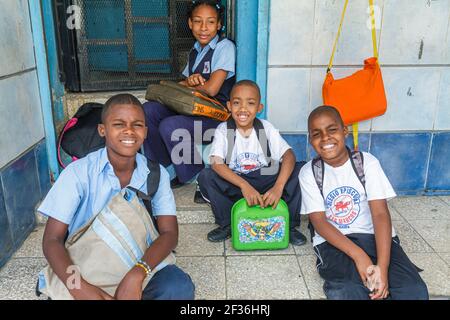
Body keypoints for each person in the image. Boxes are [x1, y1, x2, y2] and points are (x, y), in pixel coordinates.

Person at [37, 94, 195, 300]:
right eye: (119, 124)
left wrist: (138, 273)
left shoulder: (156, 174)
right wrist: (80, 288)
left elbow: (169, 234)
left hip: (136, 261)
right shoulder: (78, 173)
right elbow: (52, 240)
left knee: (177, 288)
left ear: (146, 132)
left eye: (137, 125)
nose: (129, 131)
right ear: (103, 130)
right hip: (85, 266)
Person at [299, 105, 429, 300]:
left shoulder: (367, 163)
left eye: (332, 129)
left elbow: (380, 214)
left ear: (345, 131)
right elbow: (319, 221)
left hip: (373, 235)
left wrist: (382, 268)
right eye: (317, 134)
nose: (325, 138)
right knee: (348, 290)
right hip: (334, 241)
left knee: (413, 290)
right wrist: (360, 256)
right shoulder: (309, 172)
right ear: (311, 140)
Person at [142, 0, 236, 198]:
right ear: (190, 24)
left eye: (210, 22)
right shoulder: (195, 51)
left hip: (216, 117)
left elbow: (211, 89)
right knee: (148, 111)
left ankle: (196, 174)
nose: (204, 28)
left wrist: (193, 84)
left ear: (219, 25)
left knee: (171, 126)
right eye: (198, 21)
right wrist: (190, 82)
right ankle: (165, 170)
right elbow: (182, 86)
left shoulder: (224, 47)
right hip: (194, 109)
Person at [197, 80, 307, 246]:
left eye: (250, 103)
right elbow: (216, 163)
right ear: (228, 105)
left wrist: (278, 187)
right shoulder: (223, 130)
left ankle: (288, 225)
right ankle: (227, 224)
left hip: (265, 179)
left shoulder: (266, 128)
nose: (242, 109)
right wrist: (244, 185)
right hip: (237, 182)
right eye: (236, 103)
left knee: (299, 170)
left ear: (259, 108)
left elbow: (289, 155)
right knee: (207, 176)